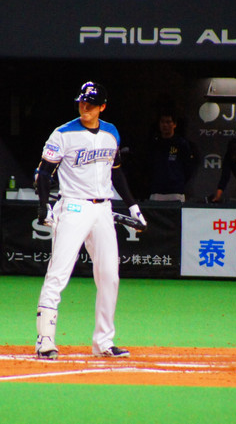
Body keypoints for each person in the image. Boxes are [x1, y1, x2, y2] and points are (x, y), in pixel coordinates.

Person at [33, 81, 147, 359]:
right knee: (58, 273)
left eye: (92, 103)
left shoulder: (111, 132)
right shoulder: (63, 133)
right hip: (73, 206)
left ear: (102, 107)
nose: (85, 106)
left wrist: (133, 206)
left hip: (103, 209)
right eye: (83, 101)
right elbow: (44, 174)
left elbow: (116, 172)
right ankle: (45, 340)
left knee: (109, 276)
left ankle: (104, 342)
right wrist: (44, 206)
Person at [148, 111, 196, 202]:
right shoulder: (154, 143)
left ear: (174, 124)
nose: (165, 125)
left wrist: (178, 180)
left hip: (176, 191)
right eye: (162, 122)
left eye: (168, 122)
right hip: (157, 191)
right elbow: (149, 165)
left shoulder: (181, 143)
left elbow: (188, 167)